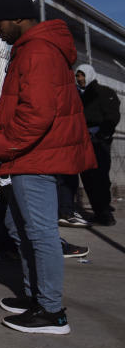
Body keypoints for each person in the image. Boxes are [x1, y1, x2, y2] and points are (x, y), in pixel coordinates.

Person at [0, 0, 95, 334]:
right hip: (29, 157)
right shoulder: (32, 49)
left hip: (34, 158)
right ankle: (36, 297)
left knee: (40, 233)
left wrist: (3, 147)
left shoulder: (38, 51)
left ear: (17, 18)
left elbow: (38, 114)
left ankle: (51, 311)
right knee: (22, 229)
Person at [75, 63, 120, 226]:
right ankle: (100, 210)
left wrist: (102, 135)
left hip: (98, 141)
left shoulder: (103, 93)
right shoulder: (77, 95)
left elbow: (112, 115)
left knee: (100, 176)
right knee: (88, 176)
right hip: (83, 140)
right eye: (77, 75)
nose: (80, 79)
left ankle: (104, 212)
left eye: (82, 75)